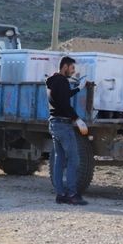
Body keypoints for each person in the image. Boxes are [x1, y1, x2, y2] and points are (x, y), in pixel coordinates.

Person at [46, 56, 89, 206]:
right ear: (65, 66)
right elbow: (65, 104)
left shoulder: (53, 81)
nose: (73, 72)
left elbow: (63, 96)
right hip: (64, 125)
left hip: (54, 123)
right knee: (74, 159)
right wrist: (77, 119)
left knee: (59, 160)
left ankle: (60, 194)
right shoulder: (62, 81)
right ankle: (72, 194)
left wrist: (78, 88)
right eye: (72, 68)